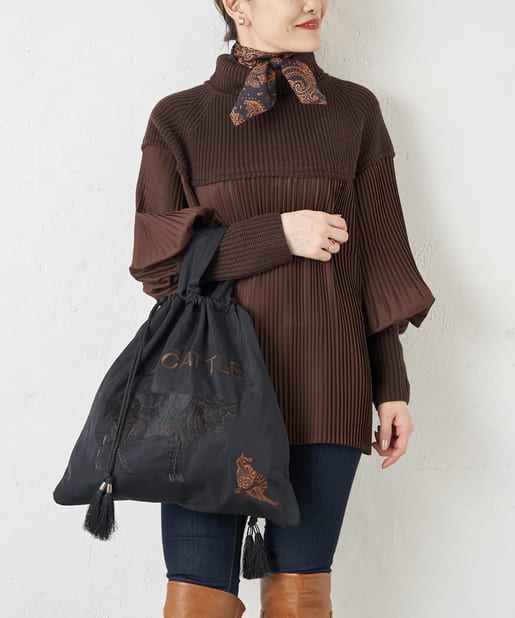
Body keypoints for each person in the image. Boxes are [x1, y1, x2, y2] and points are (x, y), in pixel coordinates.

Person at [128, 0, 436, 616]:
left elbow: (376, 260)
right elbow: (160, 268)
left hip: (328, 386)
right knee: (196, 595)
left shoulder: (353, 111)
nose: (313, 3)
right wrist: (277, 235)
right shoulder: (179, 118)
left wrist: (391, 387)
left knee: (302, 597)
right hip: (207, 393)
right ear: (235, 4)